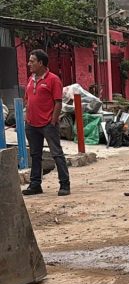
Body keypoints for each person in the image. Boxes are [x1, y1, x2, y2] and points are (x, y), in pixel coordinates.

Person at [22, 49, 69, 196]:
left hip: (47, 124)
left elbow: (58, 102)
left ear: (41, 63)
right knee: (35, 155)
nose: (29, 64)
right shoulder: (31, 79)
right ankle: (35, 185)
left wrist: (53, 121)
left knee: (56, 154)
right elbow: (27, 99)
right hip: (31, 124)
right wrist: (26, 115)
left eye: (32, 61)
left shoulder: (53, 79)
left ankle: (64, 184)